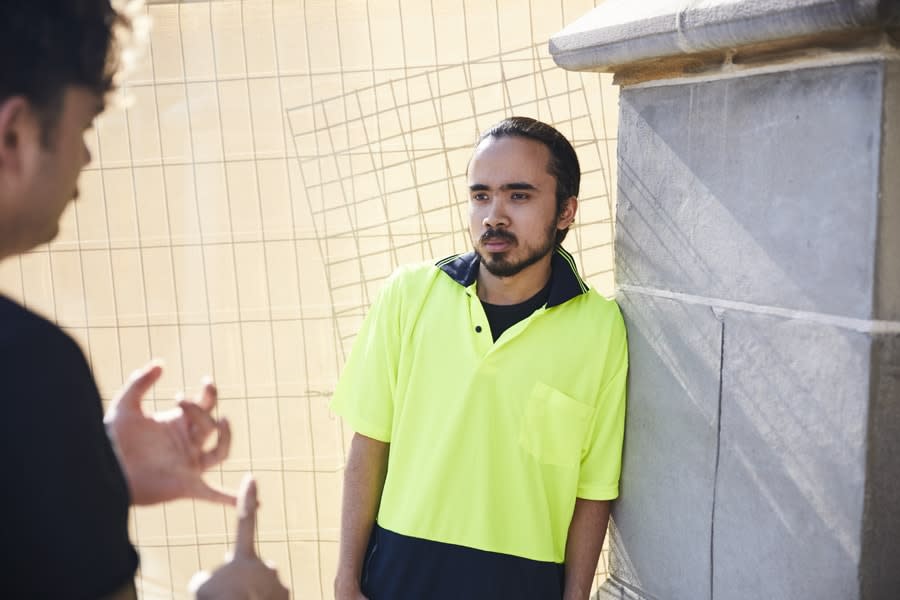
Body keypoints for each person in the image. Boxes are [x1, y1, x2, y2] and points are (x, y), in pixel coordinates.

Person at [0, 1, 288, 598]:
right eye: (83, 129)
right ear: (14, 135)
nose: (85, 158)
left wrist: (90, 473)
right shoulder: (28, 368)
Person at [331, 116, 628, 600]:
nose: (494, 215)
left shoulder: (600, 329)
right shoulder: (410, 295)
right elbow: (368, 447)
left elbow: (593, 488)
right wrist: (346, 583)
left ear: (566, 211)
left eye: (519, 195)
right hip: (397, 577)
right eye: (480, 195)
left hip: (521, 585)